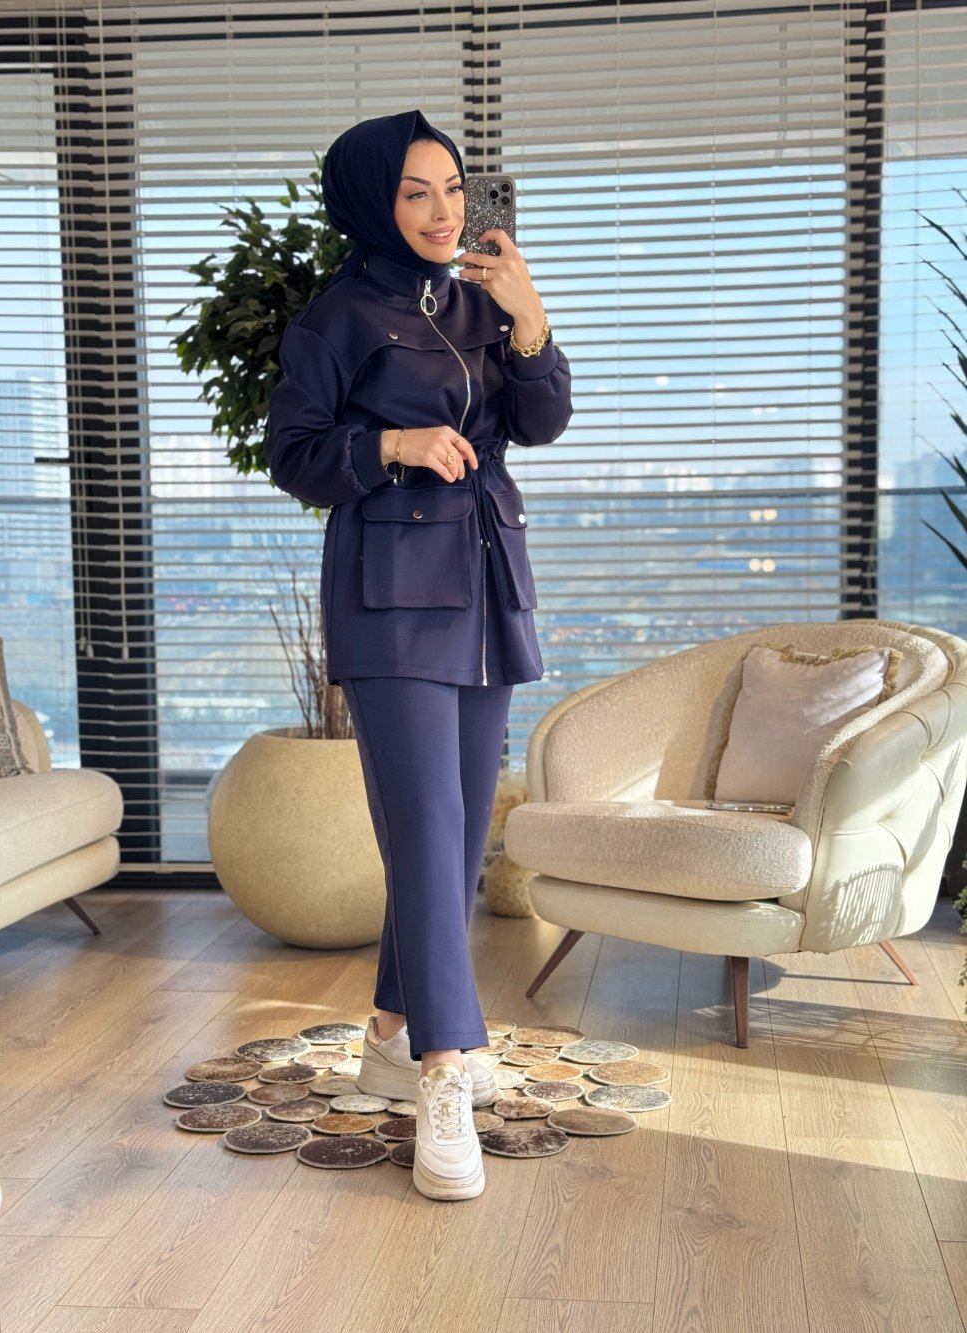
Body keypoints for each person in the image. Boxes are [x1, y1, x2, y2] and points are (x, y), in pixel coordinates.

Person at [266, 109, 572, 1201]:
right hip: (390, 596)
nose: (444, 212)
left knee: (451, 832)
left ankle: (394, 1032)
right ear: (371, 203)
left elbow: (541, 422)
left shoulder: (483, 300)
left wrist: (528, 317)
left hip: (484, 585)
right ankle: (447, 1067)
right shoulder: (336, 316)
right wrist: (391, 443)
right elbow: (292, 452)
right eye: (416, 193)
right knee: (429, 824)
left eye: (453, 188)